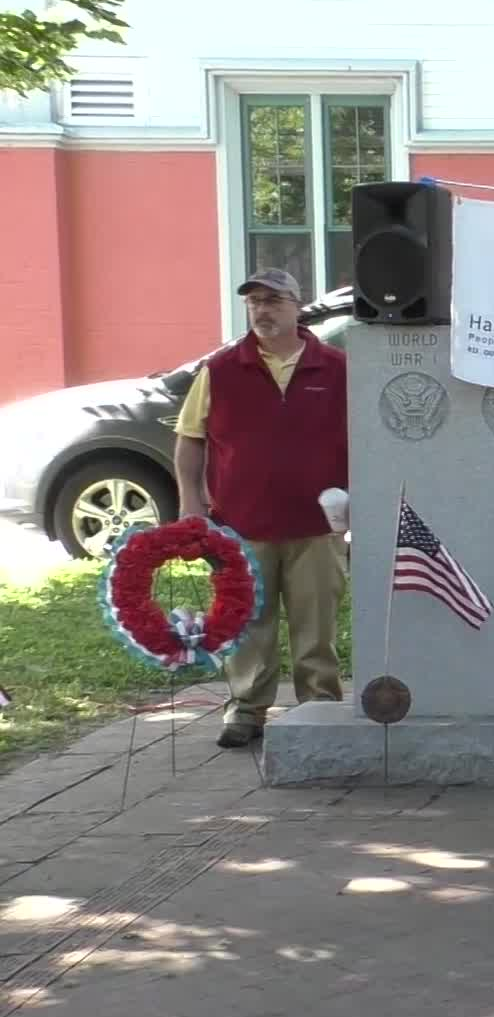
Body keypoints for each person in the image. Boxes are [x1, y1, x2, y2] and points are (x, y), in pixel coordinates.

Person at [172, 268, 349, 748]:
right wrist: (192, 505)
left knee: (317, 626)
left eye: (273, 300)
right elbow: (190, 440)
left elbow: (365, 440)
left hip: (317, 526)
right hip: (243, 524)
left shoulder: (336, 368)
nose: (263, 310)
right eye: (254, 303)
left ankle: (321, 709)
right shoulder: (222, 370)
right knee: (249, 622)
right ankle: (246, 710)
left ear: (297, 306)